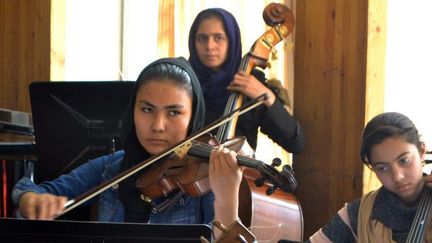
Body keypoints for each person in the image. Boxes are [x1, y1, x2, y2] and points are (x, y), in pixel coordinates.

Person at [12, 57, 215, 224]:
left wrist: (227, 195)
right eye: (147, 109)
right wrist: (29, 199)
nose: (157, 125)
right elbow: (32, 189)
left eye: (173, 112)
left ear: (193, 117)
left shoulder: (206, 179)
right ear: (132, 111)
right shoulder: (111, 168)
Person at [209, 112, 432, 242]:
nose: (398, 176)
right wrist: (227, 206)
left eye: (404, 160)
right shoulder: (357, 214)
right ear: (372, 168)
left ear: (422, 151)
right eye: (383, 168)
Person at [188, 8, 305, 153]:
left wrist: (267, 96)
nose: (210, 46)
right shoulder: (183, 83)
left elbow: (295, 143)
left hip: (240, 174)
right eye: (202, 38)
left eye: (218, 38)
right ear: (193, 42)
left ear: (232, 40)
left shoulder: (251, 83)